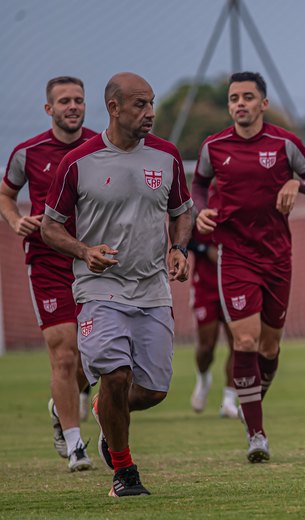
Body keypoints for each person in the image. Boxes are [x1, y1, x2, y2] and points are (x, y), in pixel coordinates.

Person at [42, 72, 193, 497]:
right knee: (115, 375)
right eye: (140, 105)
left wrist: (179, 248)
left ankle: (103, 413)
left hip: (153, 290)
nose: (150, 113)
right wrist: (83, 250)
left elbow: (183, 211)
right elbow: (50, 229)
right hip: (99, 290)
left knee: (152, 391)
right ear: (114, 108)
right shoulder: (78, 162)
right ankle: (124, 474)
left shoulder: (167, 156)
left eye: (152, 103)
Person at [192, 71, 305, 462]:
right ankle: (257, 434)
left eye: (248, 97)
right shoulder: (214, 146)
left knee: (269, 346)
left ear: (263, 104)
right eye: (234, 98)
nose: (240, 104)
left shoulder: (285, 145)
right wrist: (202, 212)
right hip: (234, 255)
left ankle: (250, 399)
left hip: (277, 256)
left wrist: (297, 184)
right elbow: (199, 185)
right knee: (245, 341)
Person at [0, 76, 97, 471]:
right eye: (64, 101)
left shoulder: (101, 147)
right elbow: (6, 194)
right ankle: (75, 445)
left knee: (95, 357)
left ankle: (61, 406)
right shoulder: (28, 152)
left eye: (78, 100)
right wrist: (15, 219)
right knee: (63, 353)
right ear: (49, 109)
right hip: (46, 261)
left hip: (93, 260)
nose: (72, 106)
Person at [187, 224, 238, 419]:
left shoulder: (236, 198)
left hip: (234, 283)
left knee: (238, 343)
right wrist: (205, 249)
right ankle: (203, 377)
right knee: (206, 346)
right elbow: (181, 237)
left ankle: (229, 399)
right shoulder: (198, 204)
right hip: (205, 286)